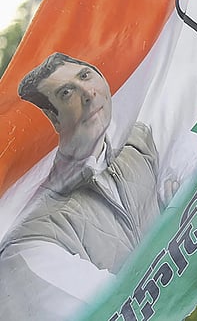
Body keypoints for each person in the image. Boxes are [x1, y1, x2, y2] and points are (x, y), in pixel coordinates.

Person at [0, 53, 165, 320]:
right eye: (66, 93)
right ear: (53, 119)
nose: (88, 94)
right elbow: (122, 307)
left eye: (85, 76)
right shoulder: (31, 236)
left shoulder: (139, 142)